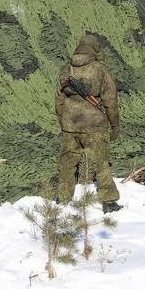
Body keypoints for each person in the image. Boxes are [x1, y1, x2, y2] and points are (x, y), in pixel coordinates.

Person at [55, 33, 122, 213]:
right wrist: (115, 125)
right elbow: (111, 100)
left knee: (67, 162)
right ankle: (108, 200)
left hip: (70, 124)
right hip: (94, 124)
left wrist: (65, 120)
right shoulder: (100, 69)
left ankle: (62, 198)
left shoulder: (66, 69)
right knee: (101, 162)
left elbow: (59, 100)